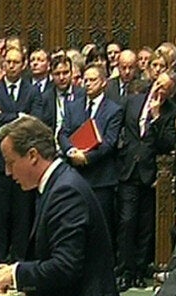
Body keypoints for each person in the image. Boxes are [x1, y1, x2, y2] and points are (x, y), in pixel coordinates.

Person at [0, 115, 122, 296]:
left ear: (33, 155)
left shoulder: (65, 192)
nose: (8, 172)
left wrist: (16, 274)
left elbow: (65, 266)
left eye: (11, 162)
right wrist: (14, 269)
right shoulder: (57, 183)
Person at [115, 72, 176, 291]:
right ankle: (125, 270)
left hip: (151, 175)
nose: (159, 90)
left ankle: (140, 271)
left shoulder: (172, 112)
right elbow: (117, 127)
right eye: (158, 84)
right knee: (126, 222)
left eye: (165, 88)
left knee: (145, 225)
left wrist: (157, 117)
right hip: (127, 170)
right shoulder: (131, 101)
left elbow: (167, 143)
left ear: (170, 93)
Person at [0, 47, 42, 267]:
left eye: (16, 62)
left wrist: (4, 116)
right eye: (7, 61)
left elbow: (34, 121)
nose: (11, 65)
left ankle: (19, 263)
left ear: (23, 64)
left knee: (22, 215)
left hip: (25, 163)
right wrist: (18, 115)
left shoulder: (32, 91)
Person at [58, 64, 123, 245]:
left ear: (104, 83)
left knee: (101, 228)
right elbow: (63, 133)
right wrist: (71, 152)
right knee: (75, 225)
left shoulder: (114, 109)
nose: (87, 84)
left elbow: (110, 142)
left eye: (93, 80)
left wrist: (86, 157)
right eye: (85, 80)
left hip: (101, 179)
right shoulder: (73, 106)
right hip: (75, 176)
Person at [40, 55, 85, 136]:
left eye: (65, 73)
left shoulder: (83, 95)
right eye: (57, 74)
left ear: (71, 72)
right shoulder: (45, 98)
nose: (61, 78)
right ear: (51, 75)